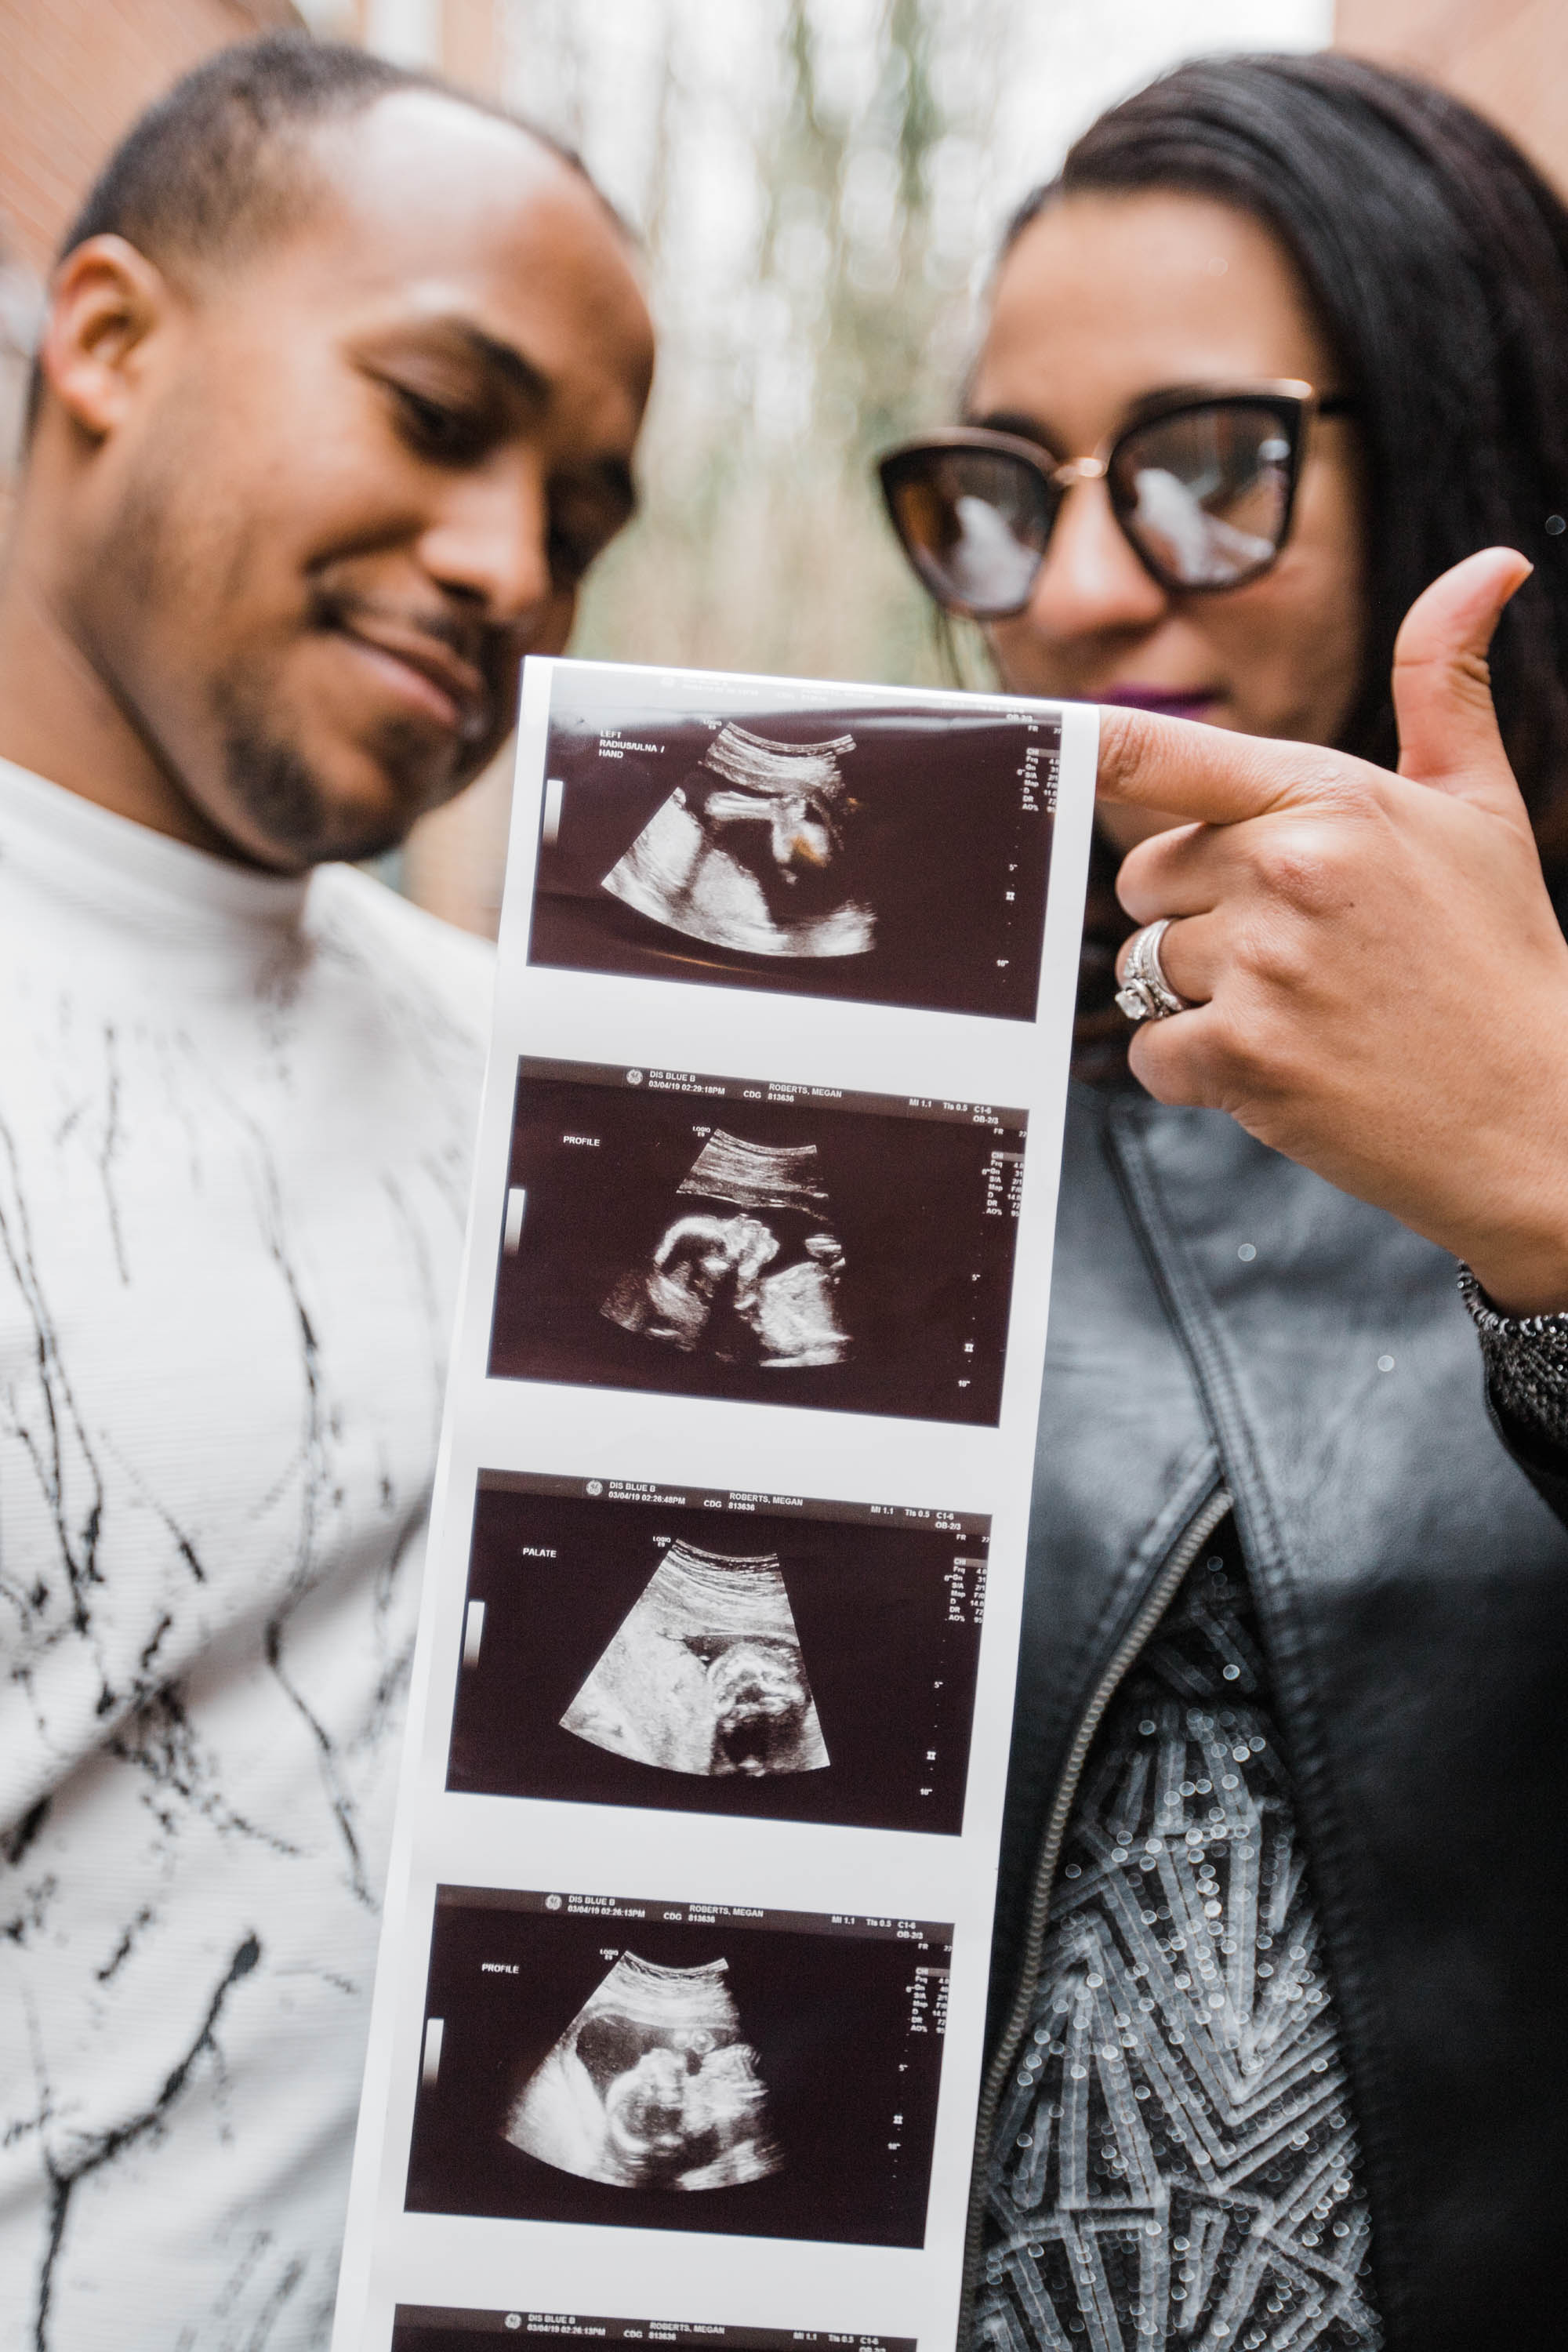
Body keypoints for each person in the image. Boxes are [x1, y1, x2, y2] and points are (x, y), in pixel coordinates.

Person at [878, 53, 1568, 2352]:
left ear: (1464, 441)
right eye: (995, 493)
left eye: (1202, 469)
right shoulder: (896, 1105)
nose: (1067, 589)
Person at [0, 34, 652, 2350]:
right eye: (437, 413)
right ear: (107, 341)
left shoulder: (570, 1107)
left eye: (581, 515)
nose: (509, 569)